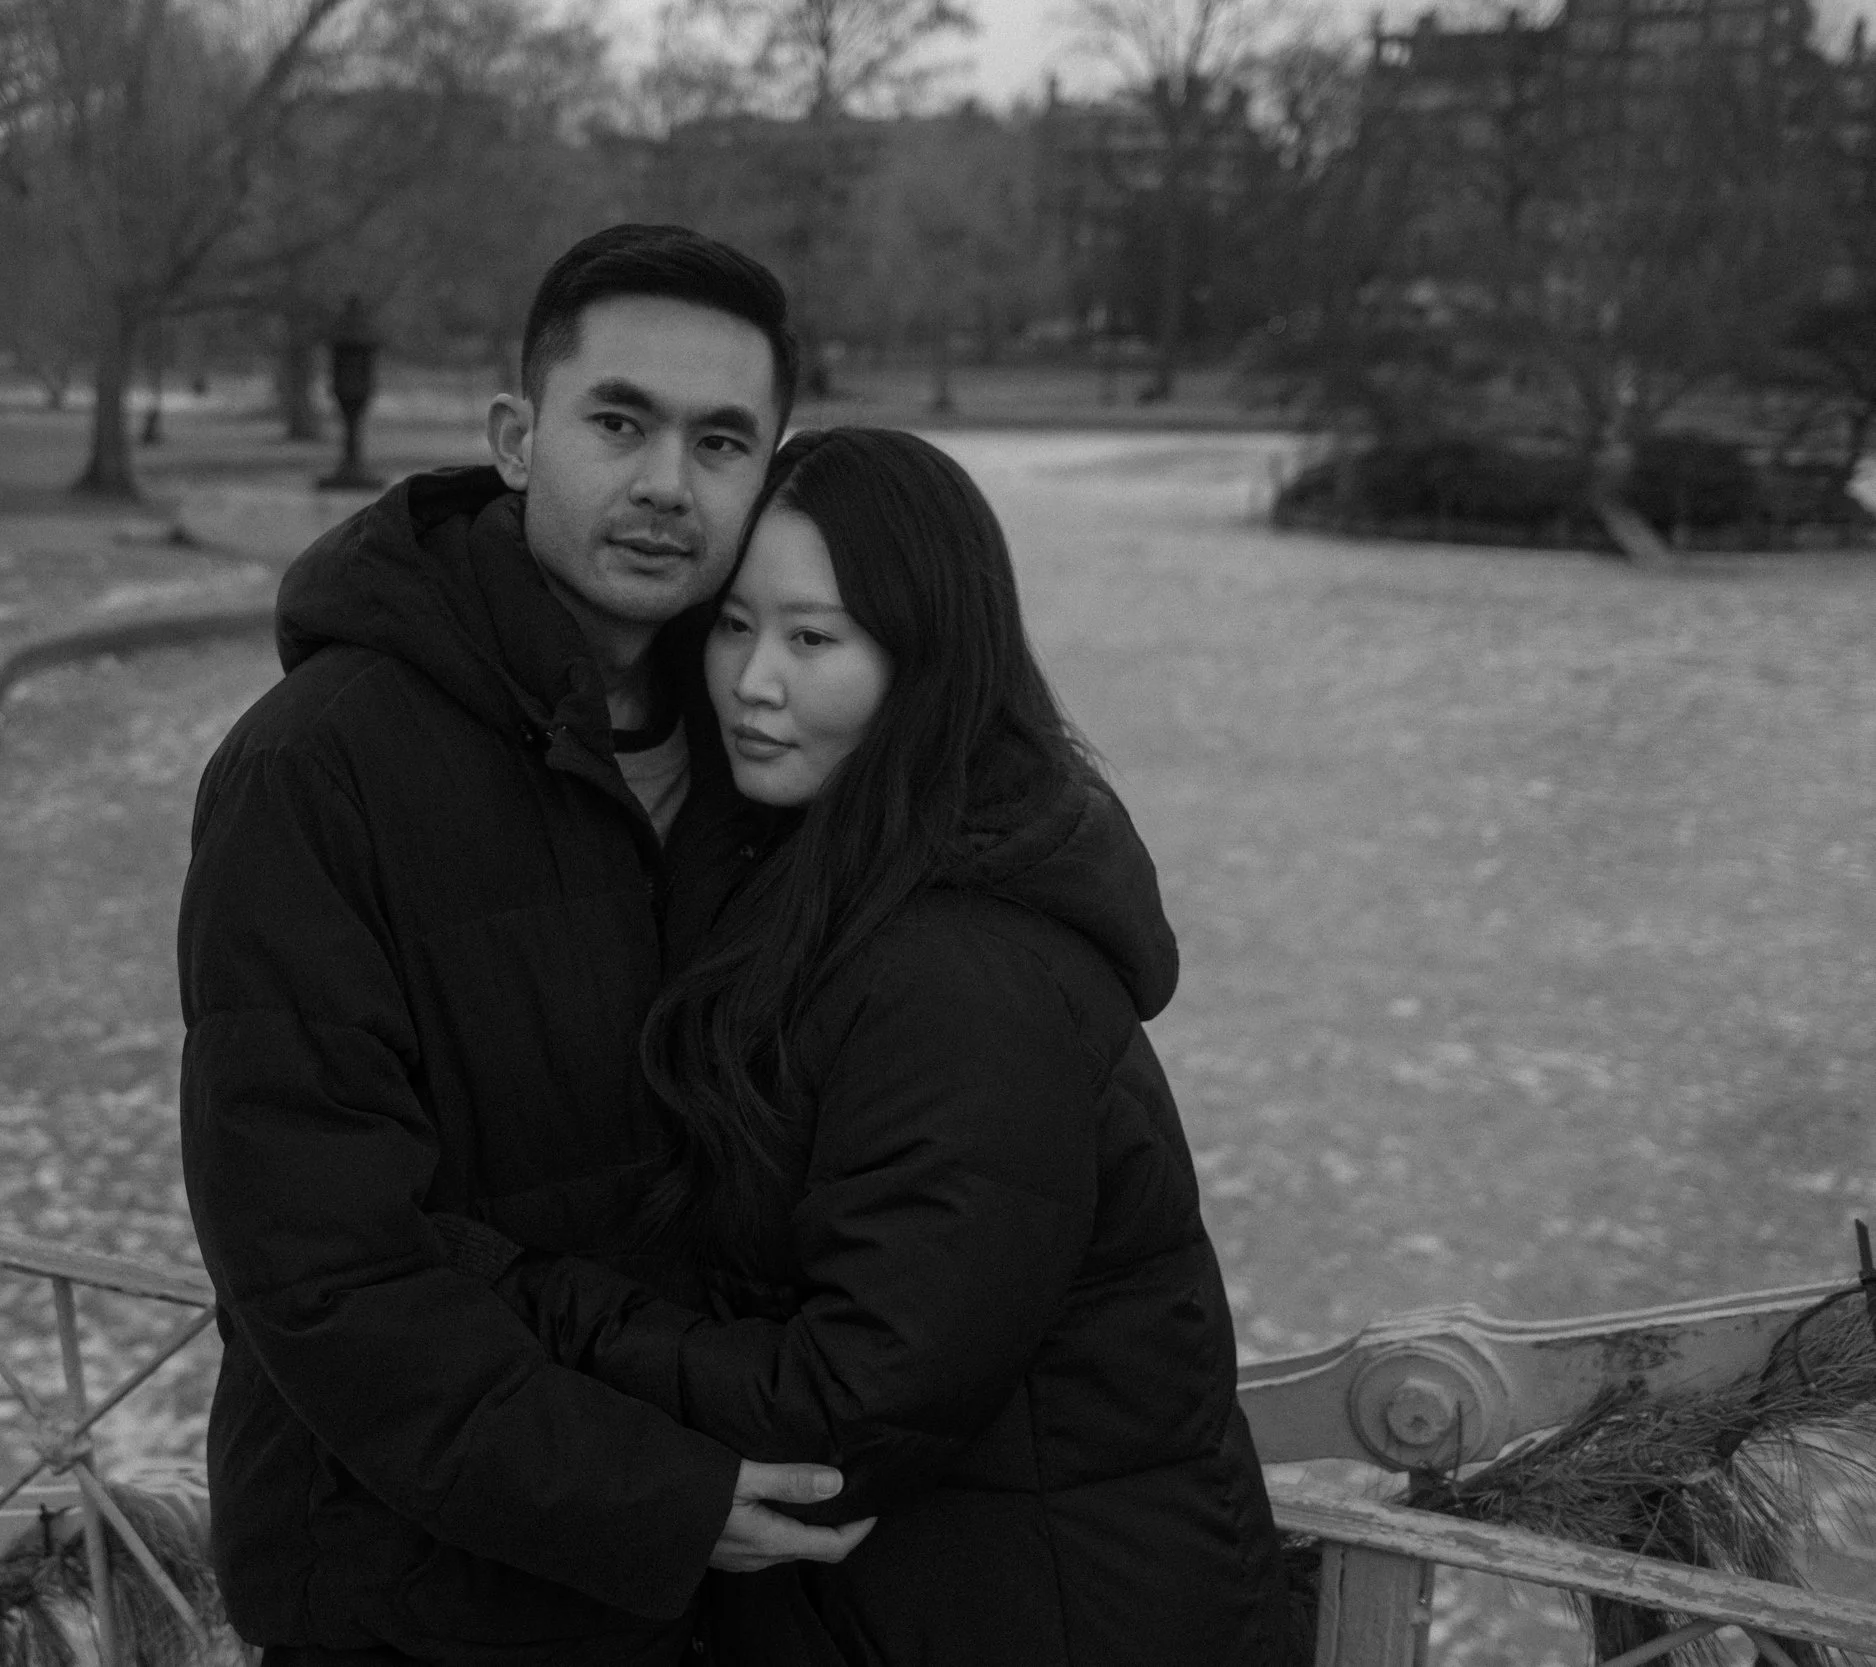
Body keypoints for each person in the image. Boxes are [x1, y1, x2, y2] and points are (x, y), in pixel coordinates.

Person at [444, 428, 1294, 1665]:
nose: (751, 682)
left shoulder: (964, 975)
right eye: (735, 626)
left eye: (812, 639)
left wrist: (524, 1296)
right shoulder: (821, 884)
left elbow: (848, 1410)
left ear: (926, 664)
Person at [176, 226, 871, 1667]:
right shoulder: (316, 771)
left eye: (721, 442)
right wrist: (649, 1494)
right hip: (411, 1602)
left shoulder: (775, 748)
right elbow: (317, 1258)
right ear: (515, 437)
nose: (668, 483)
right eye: (619, 422)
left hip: (723, 1597)